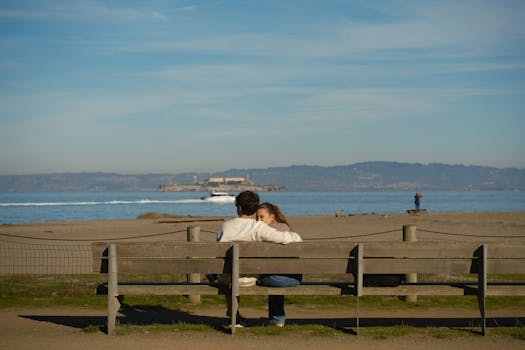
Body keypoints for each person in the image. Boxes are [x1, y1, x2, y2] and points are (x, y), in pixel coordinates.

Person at [217, 191, 302, 328]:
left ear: (239, 208)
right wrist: (295, 236)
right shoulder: (258, 227)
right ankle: (273, 319)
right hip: (248, 279)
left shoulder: (224, 227)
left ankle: (235, 317)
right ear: (255, 209)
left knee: (230, 272)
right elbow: (284, 238)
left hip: (227, 278)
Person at [256, 202, 302, 326]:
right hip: (290, 274)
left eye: (261, 217)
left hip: (287, 276)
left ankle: (277, 319)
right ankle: (277, 319)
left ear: (272, 217)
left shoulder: (278, 230)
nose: (258, 220)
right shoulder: (282, 228)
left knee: (270, 278)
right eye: (256, 217)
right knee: (271, 276)